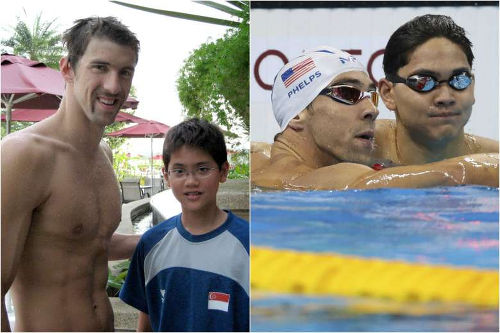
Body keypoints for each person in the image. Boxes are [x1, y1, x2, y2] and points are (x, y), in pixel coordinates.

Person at [1, 17, 141, 331]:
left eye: (125, 72)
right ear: (67, 69)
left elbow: (87, 242)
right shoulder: (24, 154)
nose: (113, 86)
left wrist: (166, 235)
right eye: (100, 67)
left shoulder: (103, 155)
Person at [251, 46, 498, 190]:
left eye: (370, 95)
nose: (372, 109)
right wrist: (474, 168)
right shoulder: (324, 181)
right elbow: (457, 172)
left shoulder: (259, 158)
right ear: (297, 114)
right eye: (347, 93)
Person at [119, 118, 249, 332]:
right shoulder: (151, 244)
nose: (191, 181)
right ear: (166, 176)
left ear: (224, 172)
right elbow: (146, 322)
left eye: (203, 169)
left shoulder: (249, 244)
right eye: (179, 171)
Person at [375, 14, 498, 165]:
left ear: (472, 86)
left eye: (459, 79)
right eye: (423, 81)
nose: (445, 97)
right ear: (388, 94)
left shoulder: (494, 160)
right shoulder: (359, 156)